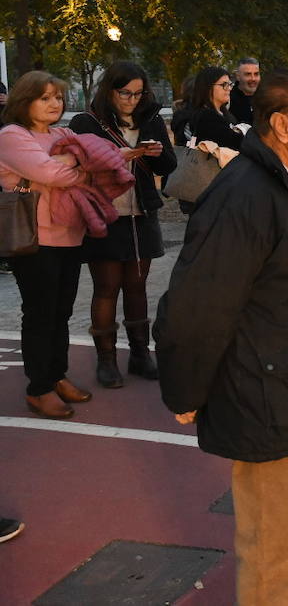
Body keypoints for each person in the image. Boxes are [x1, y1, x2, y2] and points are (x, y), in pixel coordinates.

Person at [154, 70, 288, 606]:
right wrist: (185, 390)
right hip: (268, 398)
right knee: (275, 551)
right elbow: (195, 305)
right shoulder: (245, 196)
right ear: (280, 126)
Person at [70, 62, 178, 388]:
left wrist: (155, 152)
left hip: (142, 213)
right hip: (104, 215)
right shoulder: (86, 122)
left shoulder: (151, 119)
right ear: (110, 90)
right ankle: (106, 361)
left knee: (137, 287)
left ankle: (140, 354)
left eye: (138, 93)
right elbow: (78, 165)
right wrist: (119, 155)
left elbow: (169, 164)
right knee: (106, 288)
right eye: (125, 93)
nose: (132, 100)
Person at [0, 72, 101, 419]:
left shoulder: (64, 133)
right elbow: (57, 174)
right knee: (41, 314)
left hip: (70, 235)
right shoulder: (12, 136)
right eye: (45, 98)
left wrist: (63, 164)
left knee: (61, 312)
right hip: (34, 239)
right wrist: (72, 163)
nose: (55, 103)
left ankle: (57, 376)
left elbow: (96, 164)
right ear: (24, 101)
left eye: (58, 97)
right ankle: (38, 388)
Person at [185, 66, 245, 150]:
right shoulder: (206, 117)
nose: (229, 88)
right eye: (224, 84)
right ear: (208, 87)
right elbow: (235, 143)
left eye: (230, 84)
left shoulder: (223, 113)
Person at [228, 57, 261, 127]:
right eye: (248, 74)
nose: (253, 79)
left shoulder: (267, 98)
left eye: (256, 74)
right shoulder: (227, 99)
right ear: (238, 76)